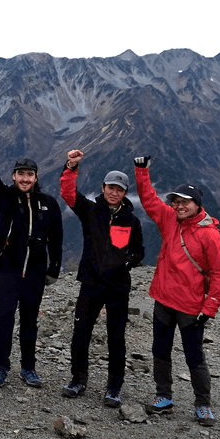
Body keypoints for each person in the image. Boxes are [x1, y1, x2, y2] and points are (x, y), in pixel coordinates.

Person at [133, 155, 220, 427]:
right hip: (163, 300)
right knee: (160, 351)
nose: (178, 206)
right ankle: (163, 396)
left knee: (194, 356)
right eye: (175, 202)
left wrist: (209, 308)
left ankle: (203, 404)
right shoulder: (170, 220)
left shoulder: (210, 235)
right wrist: (142, 171)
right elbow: (150, 199)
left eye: (184, 202)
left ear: (197, 204)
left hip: (190, 307)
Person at [0, 135, 62, 389]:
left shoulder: (49, 204)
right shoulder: (5, 198)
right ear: (14, 176)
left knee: (30, 321)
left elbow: (57, 238)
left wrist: (53, 268)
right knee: (5, 318)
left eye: (29, 174)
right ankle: (0, 368)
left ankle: (28, 368)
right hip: (8, 270)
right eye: (20, 174)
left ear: (36, 177)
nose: (25, 179)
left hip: (35, 273)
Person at [59, 149, 144, 405]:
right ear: (103, 187)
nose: (114, 192)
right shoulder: (90, 210)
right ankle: (78, 380)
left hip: (118, 287)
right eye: (110, 187)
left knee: (116, 337)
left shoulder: (132, 221)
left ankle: (114, 387)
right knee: (81, 332)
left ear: (124, 193)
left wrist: (125, 264)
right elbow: (68, 193)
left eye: (119, 189)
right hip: (91, 283)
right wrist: (71, 168)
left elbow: (139, 251)